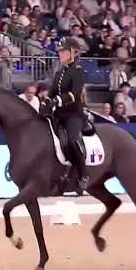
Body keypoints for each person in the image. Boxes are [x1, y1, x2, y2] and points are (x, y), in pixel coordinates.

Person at [41, 37, 89, 190]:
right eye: (60, 52)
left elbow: (74, 94)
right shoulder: (58, 74)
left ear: (73, 53)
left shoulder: (78, 72)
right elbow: (52, 92)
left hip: (73, 115)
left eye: (63, 51)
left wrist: (57, 101)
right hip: (58, 115)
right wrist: (46, 102)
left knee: (72, 141)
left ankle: (83, 174)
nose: (60, 54)